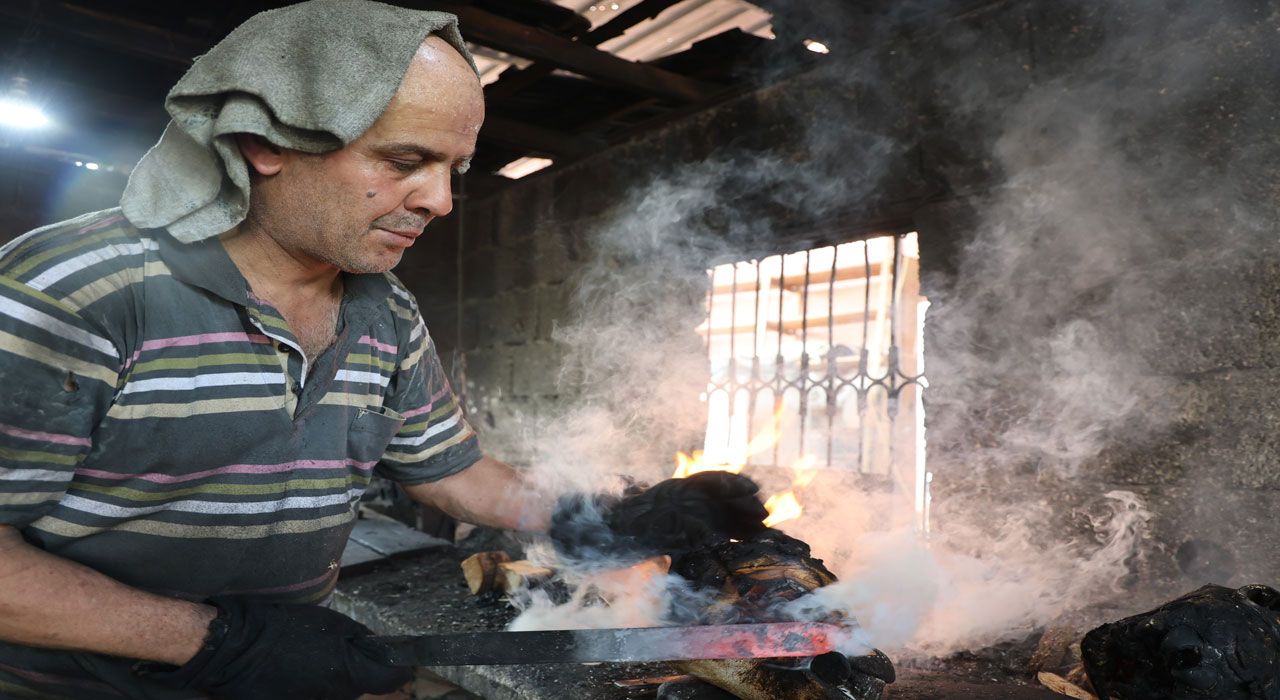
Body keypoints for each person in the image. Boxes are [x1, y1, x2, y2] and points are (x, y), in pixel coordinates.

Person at [0, 2, 769, 699]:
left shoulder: (385, 312)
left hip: (288, 681)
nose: (439, 201)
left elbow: (454, 474)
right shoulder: (76, 292)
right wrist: (211, 641)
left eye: (452, 170)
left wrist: (605, 518)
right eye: (404, 162)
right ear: (262, 144)